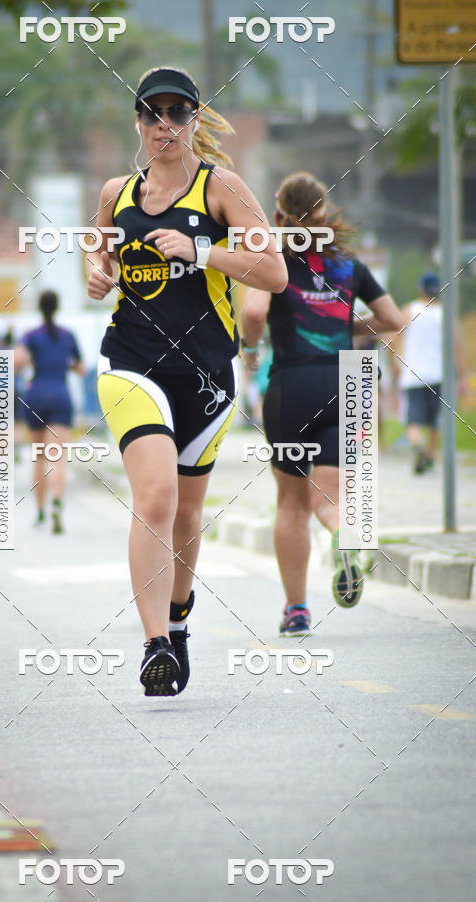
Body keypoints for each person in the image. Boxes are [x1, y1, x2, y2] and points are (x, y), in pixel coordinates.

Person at [86, 66, 287, 696]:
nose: (164, 125)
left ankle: (176, 621)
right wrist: (97, 274)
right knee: (155, 497)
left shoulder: (221, 187)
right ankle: (152, 647)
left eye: (177, 113)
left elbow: (274, 272)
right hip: (130, 362)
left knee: (187, 510)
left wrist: (200, 252)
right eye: (152, 114)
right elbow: (100, 258)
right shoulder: (116, 192)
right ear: (138, 122)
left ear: (195, 120)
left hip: (205, 373)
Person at [242, 172, 403, 637]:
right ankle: (344, 536)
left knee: (291, 503)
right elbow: (392, 320)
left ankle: (296, 610)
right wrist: (345, 330)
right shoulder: (350, 265)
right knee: (331, 497)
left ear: (279, 215)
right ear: (324, 211)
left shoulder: (272, 261)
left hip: (293, 382)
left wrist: (250, 349)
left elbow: (253, 313)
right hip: (347, 381)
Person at [14, 291, 86, 533]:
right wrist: (67, 364)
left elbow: (17, 362)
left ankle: (40, 511)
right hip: (60, 396)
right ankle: (57, 503)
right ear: (57, 307)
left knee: (39, 458)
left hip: (36, 395)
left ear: (39, 307)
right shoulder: (68, 336)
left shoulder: (31, 336)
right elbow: (82, 369)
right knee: (57, 458)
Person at [390, 272, 468, 474]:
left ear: (420, 289)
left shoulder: (409, 310)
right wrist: (463, 376)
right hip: (440, 374)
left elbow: (394, 338)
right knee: (436, 420)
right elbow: (457, 347)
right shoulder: (446, 314)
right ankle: (430, 456)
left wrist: (394, 364)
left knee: (413, 418)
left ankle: (417, 446)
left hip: (413, 373)